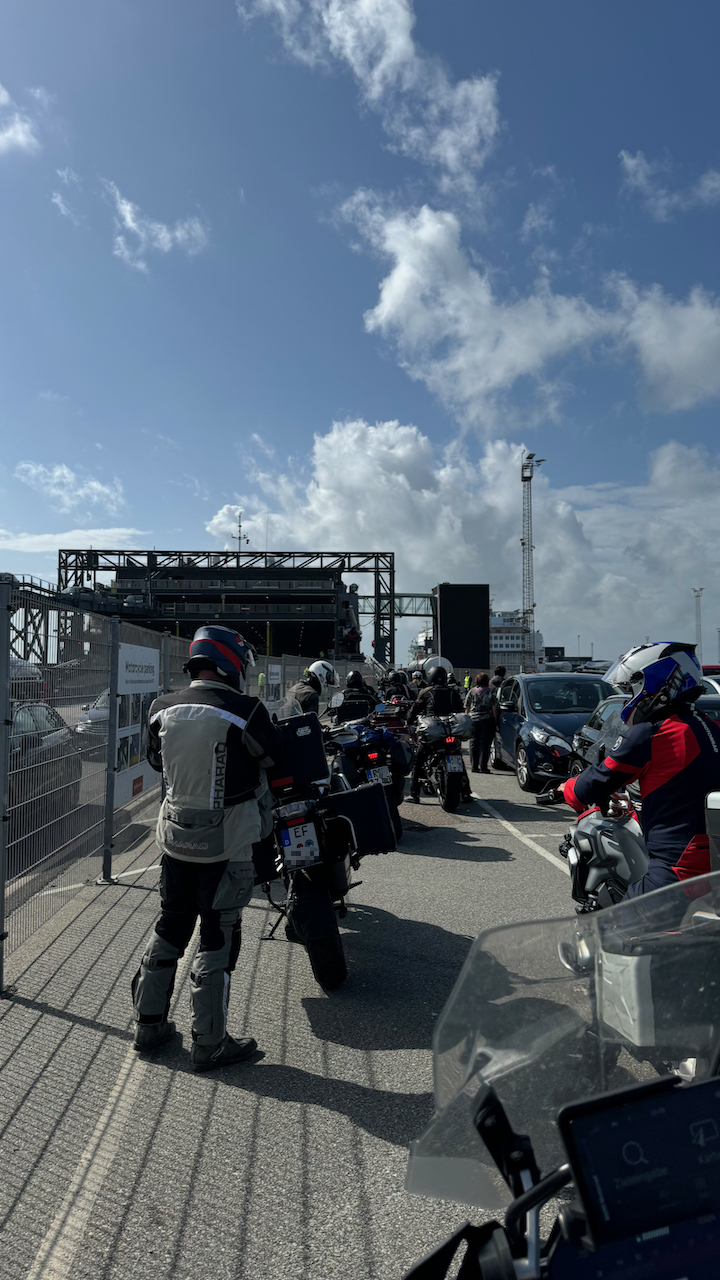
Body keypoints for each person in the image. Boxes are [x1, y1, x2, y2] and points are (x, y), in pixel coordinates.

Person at [131, 625, 282, 1070]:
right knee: (218, 938)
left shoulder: (160, 708)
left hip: (176, 840)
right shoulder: (246, 710)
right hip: (228, 843)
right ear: (230, 663)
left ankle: (148, 1025)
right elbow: (275, 760)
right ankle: (210, 1042)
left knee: (170, 926)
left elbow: (155, 760)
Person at [558, 642, 720, 898]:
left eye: (632, 688)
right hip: (712, 858)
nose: (631, 696)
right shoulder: (712, 727)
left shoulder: (652, 734)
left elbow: (593, 783)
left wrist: (566, 788)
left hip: (679, 867)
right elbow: (684, 787)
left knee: (618, 921)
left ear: (659, 684)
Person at [407, 664, 465, 802]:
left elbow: (414, 710)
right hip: (450, 731)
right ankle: (466, 792)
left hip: (433, 732)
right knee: (458, 759)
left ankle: (414, 794)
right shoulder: (453, 692)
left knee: (418, 761)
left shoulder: (425, 692)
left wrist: (409, 721)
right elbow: (460, 711)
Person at [465, 672, 497, 773]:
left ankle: (474, 766)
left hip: (474, 720)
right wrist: (495, 720)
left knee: (474, 743)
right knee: (485, 744)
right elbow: (494, 708)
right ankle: (483, 766)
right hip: (487, 720)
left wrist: (466, 719)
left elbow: (467, 707)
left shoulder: (472, 691)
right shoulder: (491, 692)